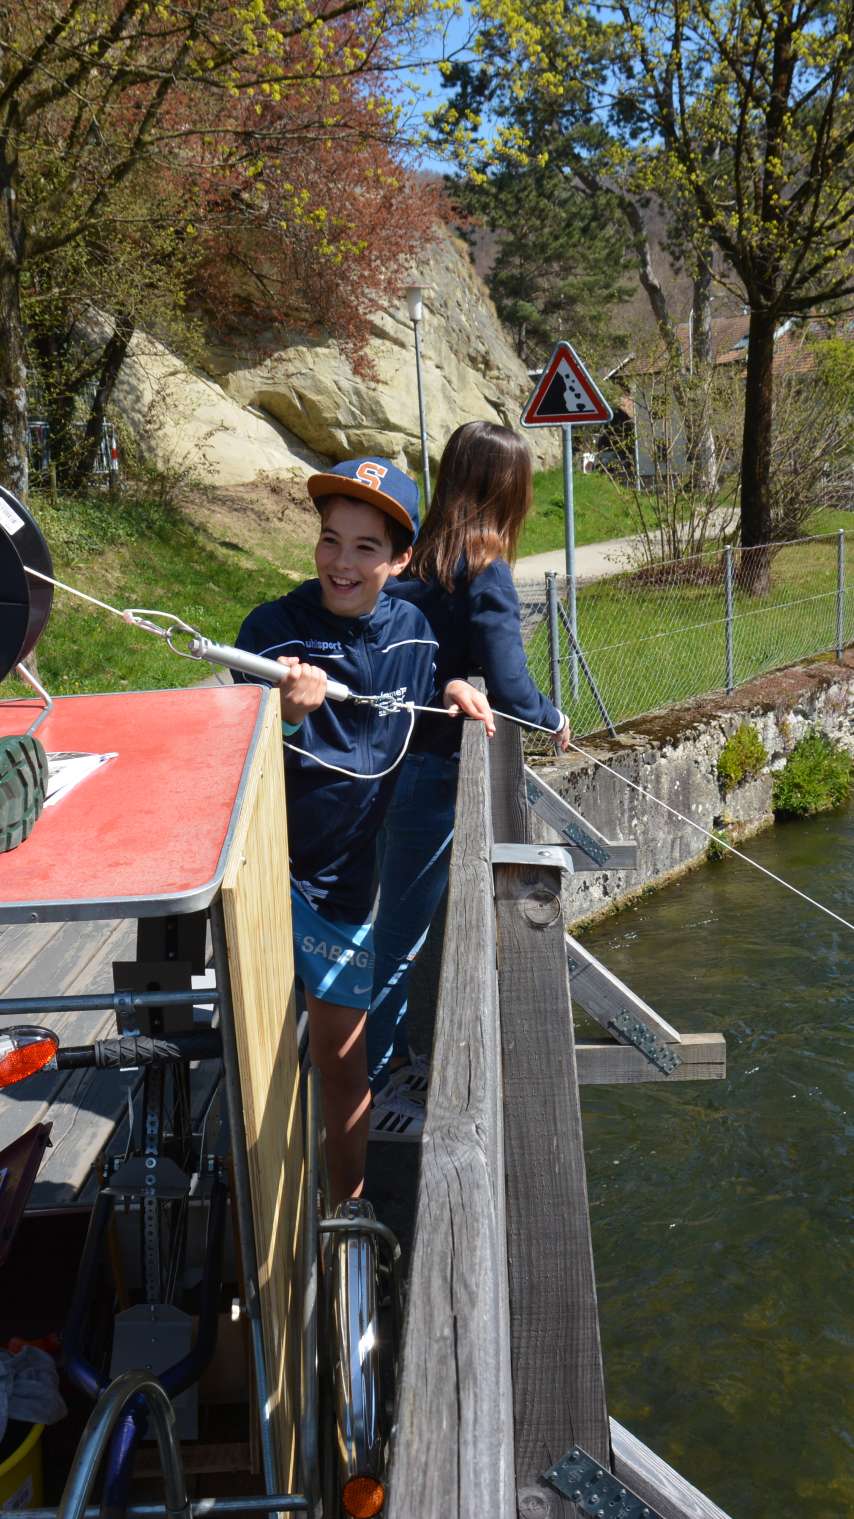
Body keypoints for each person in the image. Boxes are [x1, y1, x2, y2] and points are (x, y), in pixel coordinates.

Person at [233, 457, 494, 1201]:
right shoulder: (272, 630)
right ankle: (257, 1194)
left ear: (401, 560)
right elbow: (234, 749)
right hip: (263, 873)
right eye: (330, 540)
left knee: (344, 1064)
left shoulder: (413, 631)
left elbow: (420, 685)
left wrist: (451, 687)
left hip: (344, 886)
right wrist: (284, 713)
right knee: (256, 1054)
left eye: (365, 547)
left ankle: (345, 1207)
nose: (341, 563)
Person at [367, 422, 572, 1140]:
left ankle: (391, 1057)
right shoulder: (484, 570)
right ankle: (373, 1089)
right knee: (400, 935)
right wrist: (551, 716)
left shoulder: (414, 560)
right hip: (430, 771)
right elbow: (510, 686)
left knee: (385, 919)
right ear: (507, 490)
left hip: (384, 759)